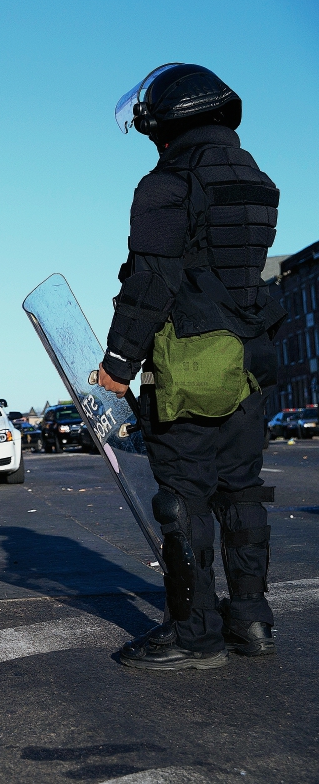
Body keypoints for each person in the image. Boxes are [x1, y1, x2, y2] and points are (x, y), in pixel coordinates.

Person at [99, 64, 284, 671]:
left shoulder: (164, 184)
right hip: (250, 363)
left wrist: (119, 361)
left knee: (183, 500)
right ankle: (251, 621)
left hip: (189, 364)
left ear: (170, 116)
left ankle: (194, 633)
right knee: (242, 493)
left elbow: (152, 280)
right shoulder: (253, 177)